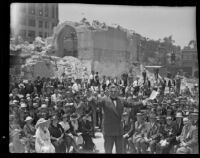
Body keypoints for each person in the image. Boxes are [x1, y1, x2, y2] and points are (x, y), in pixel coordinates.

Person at [87, 84, 146, 153]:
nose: (113, 93)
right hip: (108, 131)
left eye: (115, 91)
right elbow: (96, 104)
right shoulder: (104, 100)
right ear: (108, 91)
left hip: (119, 130)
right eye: (111, 91)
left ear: (117, 91)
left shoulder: (121, 100)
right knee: (108, 151)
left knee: (120, 151)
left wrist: (143, 102)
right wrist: (90, 98)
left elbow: (132, 105)